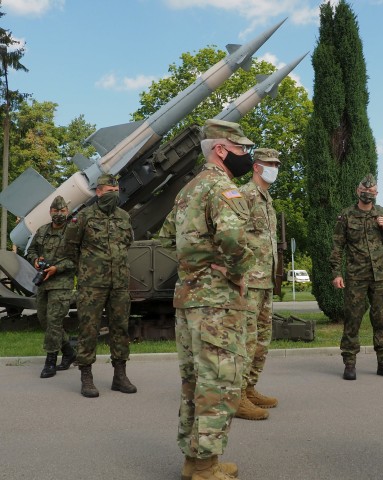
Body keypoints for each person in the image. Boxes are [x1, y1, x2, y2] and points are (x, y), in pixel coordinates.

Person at [161, 119, 255, 480]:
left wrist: (195, 262)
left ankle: (196, 461)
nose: (246, 156)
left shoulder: (189, 190)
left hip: (188, 300)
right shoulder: (221, 187)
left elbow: (167, 237)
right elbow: (232, 239)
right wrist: (237, 269)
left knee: (194, 384)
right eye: (242, 149)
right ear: (221, 150)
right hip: (216, 303)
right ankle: (204, 469)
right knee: (219, 383)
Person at [64, 174, 137, 398]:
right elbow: (69, 249)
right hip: (92, 286)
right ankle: (86, 376)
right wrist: (86, 271)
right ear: (98, 192)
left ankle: (120, 375)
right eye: (108, 191)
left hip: (119, 284)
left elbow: (127, 243)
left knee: (121, 329)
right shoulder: (84, 217)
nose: (113, 195)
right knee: (89, 329)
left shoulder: (124, 217)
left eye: (116, 191)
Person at [330, 173, 383, 381]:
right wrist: (336, 273)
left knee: (381, 319)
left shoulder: (382, 214)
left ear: (376, 193)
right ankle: (349, 363)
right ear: (357, 191)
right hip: (356, 276)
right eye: (364, 190)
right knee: (353, 319)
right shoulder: (346, 216)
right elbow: (337, 247)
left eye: (371, 191)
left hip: (379, 277)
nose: (367, 193)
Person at [235, 148, 280, 421]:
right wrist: (238, 274)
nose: (274, 167)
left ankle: (250, 388)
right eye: (269, 163)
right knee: (247, 340)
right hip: (249, 281)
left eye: (276, 164)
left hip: (265, 281)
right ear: (256, 167)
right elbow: (233, 236)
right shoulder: (245, 195)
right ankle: (237, 396)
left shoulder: (266, 198)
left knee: (262, 339)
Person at [26, 195, 76, 378]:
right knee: (44, 320)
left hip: (62, 284)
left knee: (54, 321)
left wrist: (58, 268)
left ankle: (50, 362)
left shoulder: (73, 232)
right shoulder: (42, 231)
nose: (59, 214)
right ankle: (70, 352)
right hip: (43, 283)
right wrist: (35, 260)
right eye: (55, 211)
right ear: (50, 212)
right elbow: (30, 251)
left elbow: (77, 259)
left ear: (67, 211)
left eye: (62, 211)